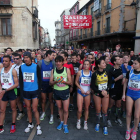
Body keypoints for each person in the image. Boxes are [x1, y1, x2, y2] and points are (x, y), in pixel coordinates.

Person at [19, 52, 42, 135]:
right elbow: (21, 81)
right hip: (25, 91)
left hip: (35, 91)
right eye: (24, 57)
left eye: (27, 57)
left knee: (34, 109)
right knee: (28, 108)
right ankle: (30, 123)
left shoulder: (36, 66)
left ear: (30, 58)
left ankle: (38, 125)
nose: (25, 59)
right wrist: (21, 93)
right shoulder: (21, 67)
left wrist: (39, 91)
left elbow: (40, 79)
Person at [50, 55, 72, 134]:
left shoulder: (67, 70)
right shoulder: (53, 70)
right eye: (57, 61)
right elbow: (50, 82)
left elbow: (70, 82)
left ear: (63, 62)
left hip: (65, 91)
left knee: (66, 109)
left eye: (60, 61)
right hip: (56, 91)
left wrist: (64, 81)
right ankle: (61, 121)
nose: (58, 63)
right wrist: (55, 81)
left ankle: (65, 124)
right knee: (59, 108)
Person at [91, 58, 111, 135]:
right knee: (98, 109)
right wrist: (100, 92)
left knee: (105, 110)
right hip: (97, 94)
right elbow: (92, 86)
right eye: (103, 63)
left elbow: (110, 83)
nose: (105, 64)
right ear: (98, 65)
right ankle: (97, 123)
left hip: (106, 93)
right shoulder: (94, 74)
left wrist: (106, 90)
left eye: (104, 63)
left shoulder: (107, 72)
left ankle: (105, 126)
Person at [122, 57, 140, 140]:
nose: (133, 65)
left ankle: (135, 130)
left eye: (136, 63)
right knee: (128, 113)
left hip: (139, 95)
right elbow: (125, 82)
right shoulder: (130, 72)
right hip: (129, 93)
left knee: (136, 115)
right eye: (133, 63)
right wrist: (123, 94)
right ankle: (128, 129)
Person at [0, 55, 18, 134]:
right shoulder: (1, 70)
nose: (4, 62)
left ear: (10, 62)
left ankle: (13, 124)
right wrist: (1, 90)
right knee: (2, 110)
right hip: (3, 91)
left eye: (6, 61)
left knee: (13, 109)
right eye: (3, 61)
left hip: (11, 91)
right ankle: (1, 126)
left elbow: (16, 84)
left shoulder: (13, 70)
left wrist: (6, 90)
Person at [38, 50, 55, 124]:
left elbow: (55, 72)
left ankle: (51, 115)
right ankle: (43, 112)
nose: (53, 57)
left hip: (50, 84)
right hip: (43, 84)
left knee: (51, 100)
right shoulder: (40, 62)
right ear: (48, 55)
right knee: (43, 100)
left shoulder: (53, 62)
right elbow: (38, 74)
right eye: (52, 55)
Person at [75, 60, 92, 130]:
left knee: (87, 108)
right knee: (79, 109)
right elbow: (76, 82)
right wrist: (80, 88)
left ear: (90, 65)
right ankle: (78, 121)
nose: (85, 66)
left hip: (87, 93)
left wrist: (90, 90)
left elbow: (93, 84)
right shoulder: (79, 72)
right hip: (80, 92)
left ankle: (85, 122)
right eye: (84, 64)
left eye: (87, 64)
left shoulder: (92, 73)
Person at [107, 55, 123, 127]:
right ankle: (108, 119)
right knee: (110, 105)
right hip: (113, 89)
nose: (120, 60)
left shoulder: (122, 69)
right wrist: (117, 78)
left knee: (118, 105)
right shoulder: (110, 70)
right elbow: (109, 81)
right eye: (118, 59)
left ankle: (117, 118)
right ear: (114, 62)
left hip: (120, 89)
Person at [12, 53, 25, 121]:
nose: (15, 60)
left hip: (24, 86)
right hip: (16, 86)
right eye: (14, 59)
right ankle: (21, 112)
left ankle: (30, 113)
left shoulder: (24, 66)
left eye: (17, 58)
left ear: (20, 59)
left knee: (27, 100)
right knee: (18, 100)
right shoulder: (13, 67)